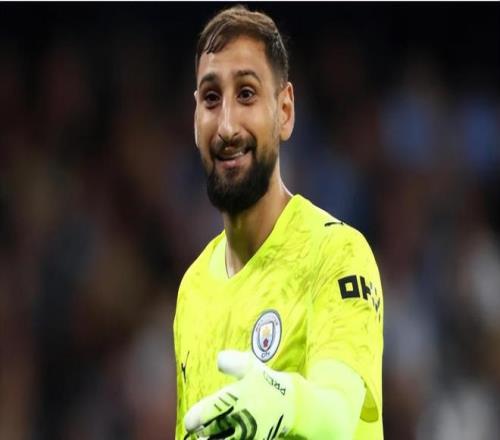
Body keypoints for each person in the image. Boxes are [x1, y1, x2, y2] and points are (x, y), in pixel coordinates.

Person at [174, 5, 384, 439]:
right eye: (211, 98)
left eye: (246, 94)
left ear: (284, 111)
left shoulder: (336, 254)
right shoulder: (192, 290)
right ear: (195, 118)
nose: (227, 126)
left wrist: (286, 401)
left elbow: (338, 418)